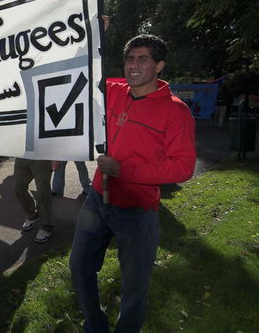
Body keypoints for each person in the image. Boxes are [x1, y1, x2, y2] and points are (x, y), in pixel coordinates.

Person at [69, 34, 196, 332]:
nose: (134, 65)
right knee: (79, 267)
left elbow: (183, 167)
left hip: (138, 211)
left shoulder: (175, 111)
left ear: (160, 65)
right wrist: (93, 29)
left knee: (134, 289)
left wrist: (123, 170)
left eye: (143, 59)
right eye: (130, 58)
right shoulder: (113, 90)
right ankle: (96, 326)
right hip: (98, 200)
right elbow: (81, 70)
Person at [12, 158, 53, 243]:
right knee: (17, 187)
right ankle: (32, 214)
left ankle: (45, 227)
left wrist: (56, 158)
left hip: (42, 156)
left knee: (43, 193)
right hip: (22, 155)